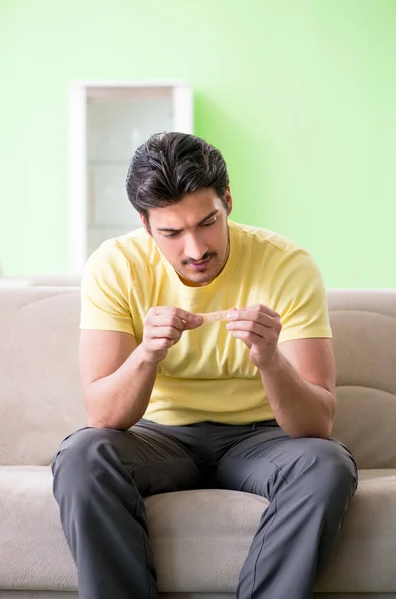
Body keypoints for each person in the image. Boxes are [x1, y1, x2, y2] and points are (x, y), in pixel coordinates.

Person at [52, 132, 358, 599]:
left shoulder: (287, 266)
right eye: (172, 233)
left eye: (207, 223)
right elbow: (104, 417)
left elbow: (317, 422)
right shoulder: (114, 266)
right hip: (159, 436)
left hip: (263, 437)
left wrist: (271, 360)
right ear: (145, 224)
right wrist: (146, 354)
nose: (195, 250)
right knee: (82, 455)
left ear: (228, 201)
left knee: (328, 464)